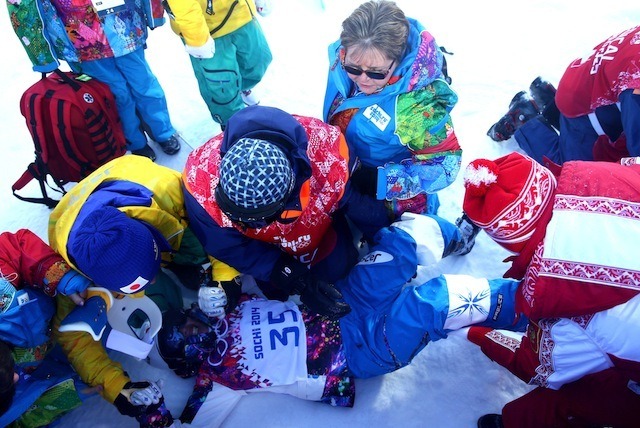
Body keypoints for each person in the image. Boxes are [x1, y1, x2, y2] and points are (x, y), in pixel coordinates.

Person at [150, 213, 527, 427]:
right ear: (187, 352)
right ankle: (532, 305)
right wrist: (151, 412)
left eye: (186, 321)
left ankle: (457, 240)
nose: (193, 325)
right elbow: (194, 424)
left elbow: (237, 259)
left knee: (401, 238)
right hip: (362, 350)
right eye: (185, 333)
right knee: (439, 301)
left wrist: (218, 285)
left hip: (342, 301)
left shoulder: (226, 306)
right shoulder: (216, 377)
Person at [182, 105, 477, 319]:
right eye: (239, 217)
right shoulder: (199, 184)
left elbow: (350, 199)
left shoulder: (327, 153)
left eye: (260, 219)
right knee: (277, 291)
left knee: (340, 271)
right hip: (267, 249)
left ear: (291, 191)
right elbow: (231, 246)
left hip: (317, 231)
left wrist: (385, 234)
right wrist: (292, 276)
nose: (249, 225)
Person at [460, 152, 640, 428]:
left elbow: (538, 368)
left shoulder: (568, 309)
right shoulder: (627, 176)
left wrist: (478, 335)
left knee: (572, 399)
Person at [46, 155, 216, 424]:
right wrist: (116, 388)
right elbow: (74, 339)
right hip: (79, 216)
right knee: (163, 300)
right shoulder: (67, 271)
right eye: (133, 288)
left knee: (197, 254)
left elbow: (216, 222)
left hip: (140, 186)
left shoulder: (167, 189)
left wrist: (218, 274)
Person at [323, 0, 464, 240]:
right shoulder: (342, 59)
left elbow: (446, 166)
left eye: (376, 72)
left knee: (386, 236)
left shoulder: (416, 105)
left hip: (388, 198)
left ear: (399, 61)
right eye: (353, 68)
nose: (362, 79)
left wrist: (384, 181)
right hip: (347, 168)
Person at [6, 0, 187, 161]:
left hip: (124, 23)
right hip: (81, 38)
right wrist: (42, 55)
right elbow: (21, 4)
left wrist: (154, 9)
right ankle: (134, 140)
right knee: (114, 95)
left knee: (145, 85)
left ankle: (163, 131)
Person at [486, 25, 640, 166]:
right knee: (574, 173)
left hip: (585, 80)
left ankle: (550, 105)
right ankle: (526, 119)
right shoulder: (636, 87)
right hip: (583, 103)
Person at [0, 229, 95, 426]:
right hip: (61, 346)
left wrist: (58, 276)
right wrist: (66, 396)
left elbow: (16, 246)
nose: (16, 378)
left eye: (8, 374)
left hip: (61, 300)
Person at [163, 0, 273, 129]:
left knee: (259, 59)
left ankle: (241, 87)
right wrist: (198, 40)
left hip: (241, 13)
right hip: (207, 28)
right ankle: (231, 121)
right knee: (220, 82)